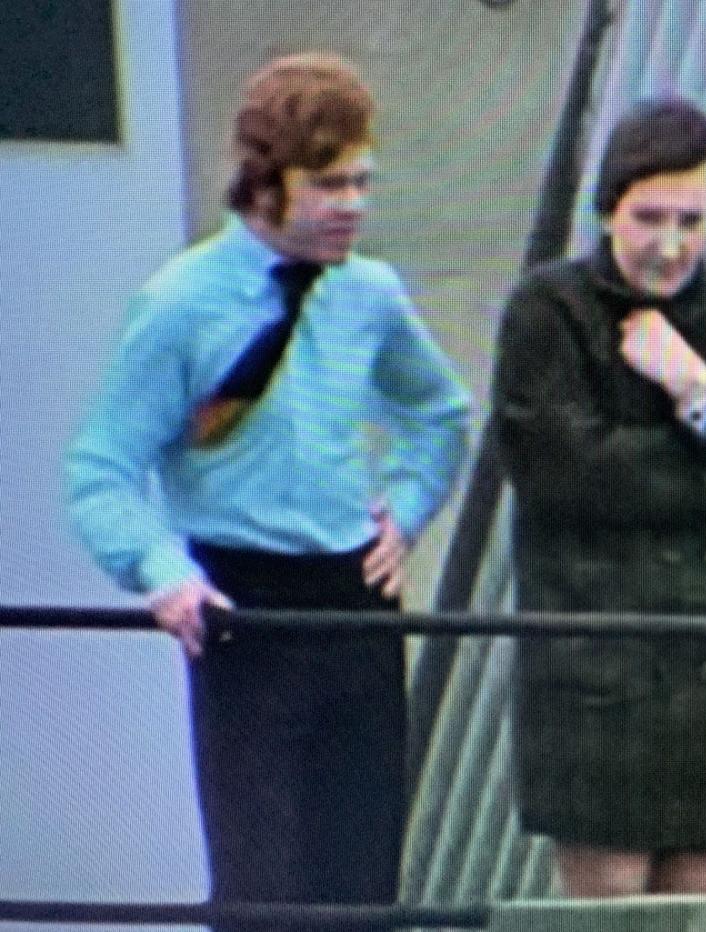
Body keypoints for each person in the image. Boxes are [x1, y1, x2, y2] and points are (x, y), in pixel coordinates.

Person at [65, 53, 470, 926]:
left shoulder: (369, 292)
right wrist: (161, 571)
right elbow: (100, 468)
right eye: (329, 184)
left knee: (362, 885)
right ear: (263, 183)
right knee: (263, 888)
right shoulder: (180, 302)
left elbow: (439, 411)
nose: (353, 204)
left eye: (364, 180)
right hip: (241, 602)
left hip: (354, 598)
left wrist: (404, 510)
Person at [493, 98, 706, 897]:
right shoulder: (549, 311)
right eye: (649, 218)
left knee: (704, 914)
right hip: (600, 672)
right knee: (610, 917)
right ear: (607, 209)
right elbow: (565, 473)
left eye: (692, 219)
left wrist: (698, 386)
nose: (671, 245)